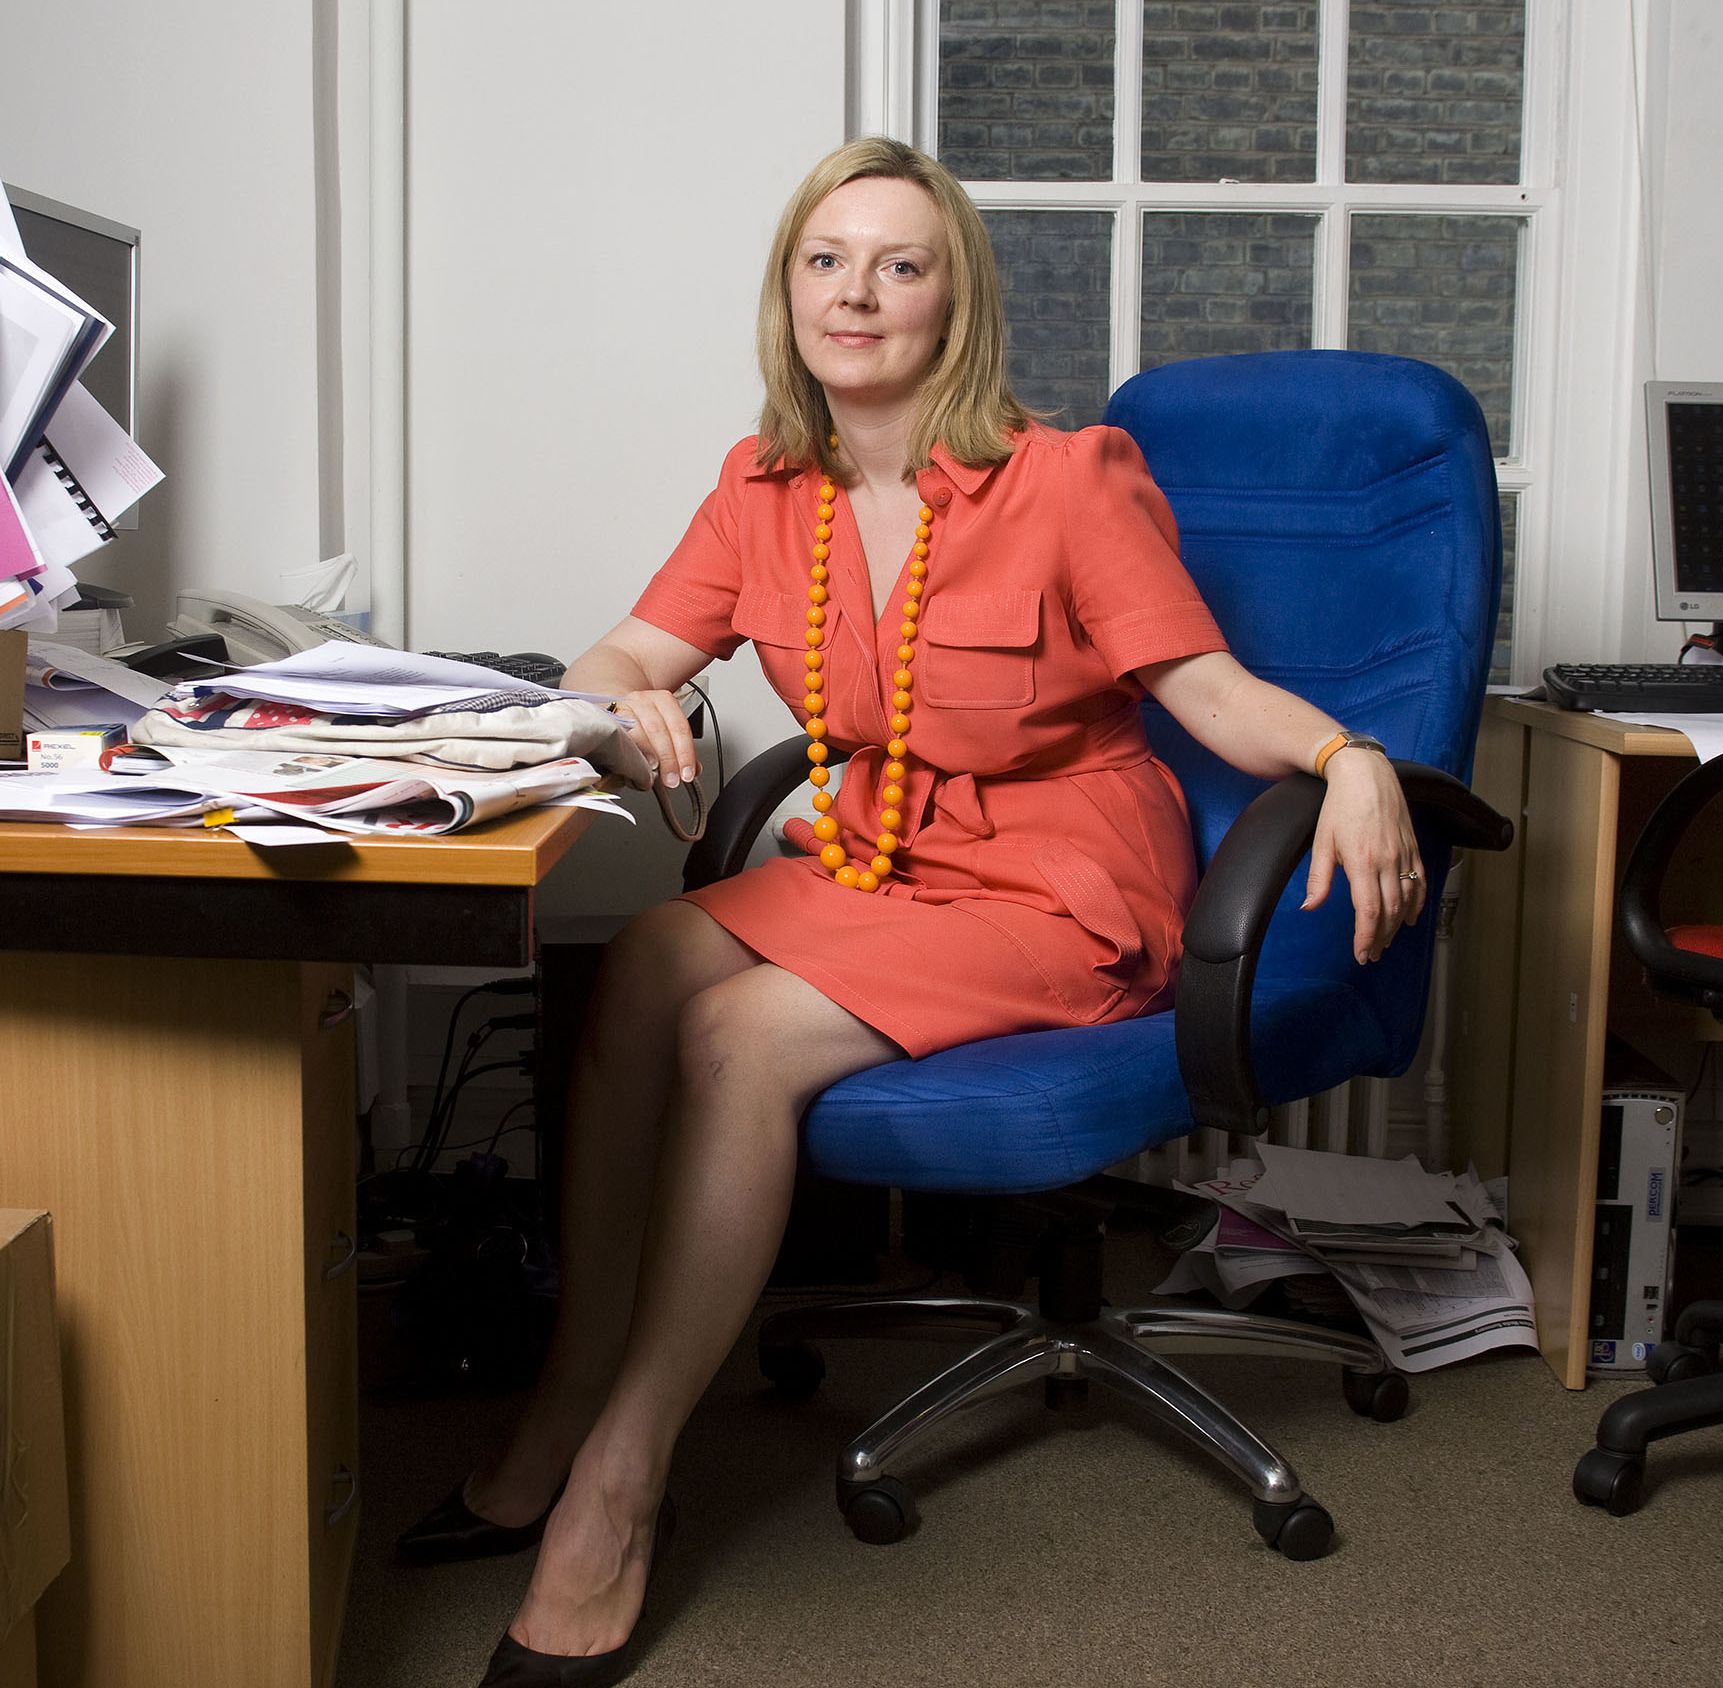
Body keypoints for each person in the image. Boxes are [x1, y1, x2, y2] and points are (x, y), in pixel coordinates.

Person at [417, 136, 1425, 1688]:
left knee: (741, 1035)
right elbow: (617, 654)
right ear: (789, 292)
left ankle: (619, 1482)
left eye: (901, 263)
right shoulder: (763, 489)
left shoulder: (1067, 476)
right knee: (635, 969)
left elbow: (1204, 689)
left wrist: (1349, 757)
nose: (859, 294)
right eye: (828, 261)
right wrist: (622, 706)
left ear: (955, 300)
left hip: (1062, 878)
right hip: (883, 859)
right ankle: (566, 1397)